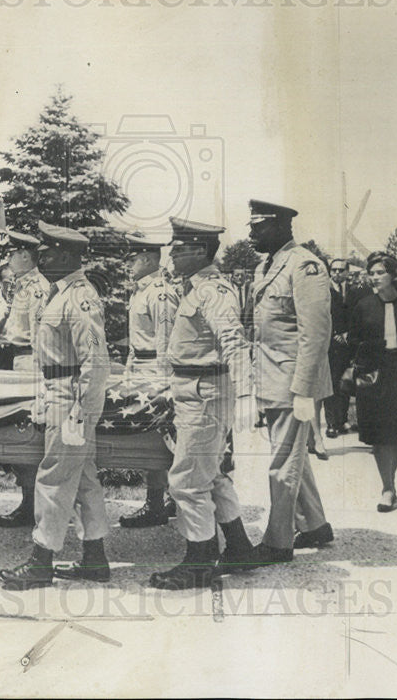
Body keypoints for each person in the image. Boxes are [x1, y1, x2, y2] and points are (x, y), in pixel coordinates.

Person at [0, 222, 111, 590]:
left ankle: (40, 562)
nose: (40, 254)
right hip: (60, 389)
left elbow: (95, 359)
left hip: (71, 396)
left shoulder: (79, 296)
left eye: (47, 249)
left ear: (65, 254)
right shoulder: (59, 293)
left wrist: (82, 410)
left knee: (53, 477)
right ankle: (95, 558)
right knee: (84, 480)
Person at [148, 217, 257, 590]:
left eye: (177, 249)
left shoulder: (213, 290)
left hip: (204, 391)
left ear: (199, 251)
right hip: (195, 387)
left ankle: (199, 562)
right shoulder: (195, 288)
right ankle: (239, 547)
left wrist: (245, 393)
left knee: (188, 482)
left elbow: (233, 340)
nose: (171, 256)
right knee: (210, 475)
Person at [247, 201, 335, 565]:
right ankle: (314, 525)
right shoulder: (265, 265)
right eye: (251, 226)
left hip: (292, 381)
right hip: (272, 377)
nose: (251, 234)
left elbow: (315, 333)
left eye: (259, 227)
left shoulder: (306, 265)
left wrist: (303, 390)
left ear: (282, 226)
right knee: (293, 455)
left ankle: (277, 542)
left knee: (282, 463)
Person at [348, 251, 397, 512]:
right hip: (373, 373)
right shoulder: (363, 306)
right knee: (380, 435)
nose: (374, 277)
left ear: (393, 275)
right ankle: (388, 487)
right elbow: (353, 341)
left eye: (380, 272)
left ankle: (390, 484)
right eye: (371, 273)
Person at [118, 231, 177, 529]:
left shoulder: (160, 292)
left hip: (156, 371)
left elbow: (166, 343)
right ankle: (162, 501)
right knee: (152, 442)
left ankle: (160, 504)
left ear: (150, 259)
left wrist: (164, 385)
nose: (127, 264)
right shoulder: (140, 290)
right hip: (141, 368)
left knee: (160, 441)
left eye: (132, 258)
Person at [0, 230, 52, 528]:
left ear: (26, 256)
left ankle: (32, 504)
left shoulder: (37, 288)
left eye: (12, 254)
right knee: (21, 434)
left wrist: (38, 379)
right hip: (20, 359)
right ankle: (29, 501)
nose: (8, 259)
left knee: (27, 434)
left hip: (30, 364)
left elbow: (40, 339)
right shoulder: (23, 286)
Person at [324, 257, 368, 439]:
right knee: (332, 383)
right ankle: (332, 424)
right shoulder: (324, 291)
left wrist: (349, 334)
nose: (337, 273)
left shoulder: (355, 292)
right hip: (331, 344)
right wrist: (334, 333)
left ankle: (342, 420)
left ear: (348, 272)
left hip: (349, 343)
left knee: (346, 382)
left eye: (341, 270)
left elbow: (359, 315)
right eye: (333, 270)